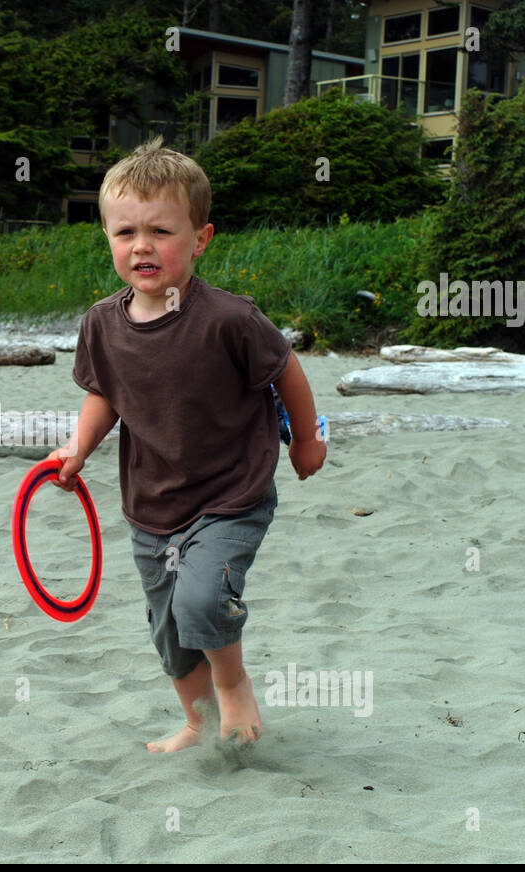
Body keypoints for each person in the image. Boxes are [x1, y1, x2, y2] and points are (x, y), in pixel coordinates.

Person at [47, 136, 325, 752]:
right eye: (125, 233)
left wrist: (306, 439)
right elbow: (105, 395)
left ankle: (233, 687)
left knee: (202, 599)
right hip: (151, 506)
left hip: (231, 495)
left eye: (160, 231)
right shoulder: (101, 322)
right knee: (169, 632)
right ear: (108, 241)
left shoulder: (229, 318)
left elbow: (286, 369)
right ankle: (198, 723)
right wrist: (77, 450)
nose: (141, 245)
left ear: (200, 239)